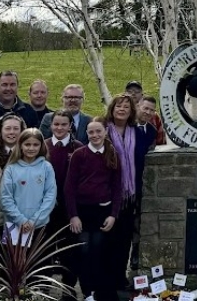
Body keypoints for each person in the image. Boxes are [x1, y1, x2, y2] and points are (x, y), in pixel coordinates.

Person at [67, 118, 123, 301]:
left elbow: (117, 188)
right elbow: (69, 188)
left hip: (103, 213)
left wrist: (113, 215)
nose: (95, 135)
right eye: (91, 132)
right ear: (87, 134)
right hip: (83, 212)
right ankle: (87, 291)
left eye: (98, 131)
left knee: (100, 252)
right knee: (84, 251)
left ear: (105, 132)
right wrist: (73, 215)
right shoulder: (79, 155)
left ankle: (102, 292)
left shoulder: (112, 154)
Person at [103, 94, 156, 281]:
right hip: (107, 193)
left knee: (124, 239)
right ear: (112, 108)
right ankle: (105, 280)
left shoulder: (138, 131)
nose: (122, 109)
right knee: (108, 239)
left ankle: (119, 277)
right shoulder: (103, 130)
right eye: (118, 106)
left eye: (126, 106)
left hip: (130, 195)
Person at [44, 110, 85, 297]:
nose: (59, 128)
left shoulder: (78, 148)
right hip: (46, 209)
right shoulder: (42, 147)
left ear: (70, 126)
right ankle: (42, 289)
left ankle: (68, 290)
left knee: (70, 251)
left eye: (63, 124)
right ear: (51, 126)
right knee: (45, 249)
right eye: (56, 124)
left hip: (70, 209)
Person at [1, 128, 58, 244]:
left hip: (39, 225)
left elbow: (50, 196)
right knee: (14, 261)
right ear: (20, 145)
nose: (31, 148)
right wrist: (20, 220)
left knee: (38, 260)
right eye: (27, 144)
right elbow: (6, 197)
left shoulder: (46, 167)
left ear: (41, 146)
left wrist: (34, 221)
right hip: (14, 224)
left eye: (35, 145)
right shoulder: (11, 169)